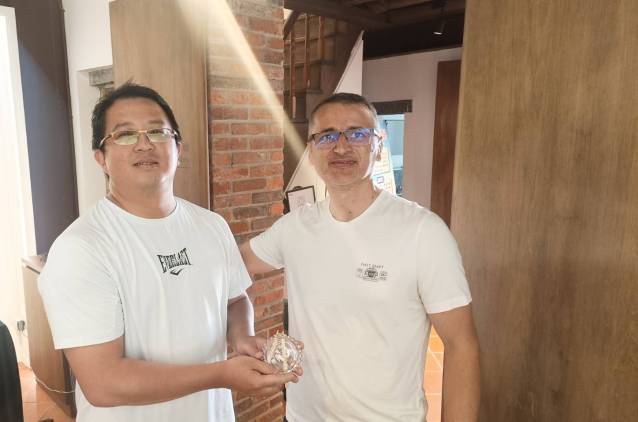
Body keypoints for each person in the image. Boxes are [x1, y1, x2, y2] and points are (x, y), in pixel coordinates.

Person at [38, 83, 299, 422]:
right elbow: (103, 383)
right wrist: (221, 374)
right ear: (101, 158)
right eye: (125, 135)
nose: (144, 144)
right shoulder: (81, 248)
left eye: (157, 132)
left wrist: (242, 336)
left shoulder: (211, 225)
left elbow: (235, 299)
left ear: (178, 147)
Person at [241, 93, 480, 421]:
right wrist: (239, 331)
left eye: (356, 134)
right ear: (311, 151)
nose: (341, 147)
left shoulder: (423, 232)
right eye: (327, 136)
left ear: (378, 145)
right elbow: (233, 267)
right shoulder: (294, 228)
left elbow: (461, 345)